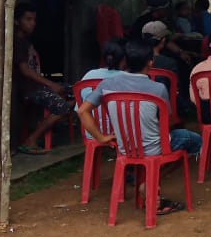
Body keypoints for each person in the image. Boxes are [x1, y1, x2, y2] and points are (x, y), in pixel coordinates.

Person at [80, 38, 201, 216]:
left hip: (125, 146)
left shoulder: (106, 85)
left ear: (125, 61)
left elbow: (83, 111)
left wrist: (100, 137)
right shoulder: (158, 88)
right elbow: (165, 123)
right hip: (155, 147)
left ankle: (148, 181)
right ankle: (151, 184)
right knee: (194, 140)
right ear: (150, 62)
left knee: (167, 143)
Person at [13, 2, 74, 155]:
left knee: (76, 91)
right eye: (28, 19)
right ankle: (31, 140)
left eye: (34, 20)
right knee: (62, 107)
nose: (32, 23)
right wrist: (50, 84)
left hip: (37, 86)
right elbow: (25, 71)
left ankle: (49, 123)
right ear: (16, 21)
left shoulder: (26, 41)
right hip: (29, 89)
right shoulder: (17, 43)